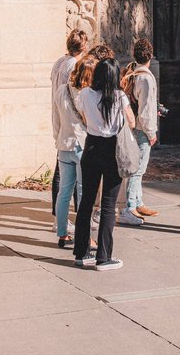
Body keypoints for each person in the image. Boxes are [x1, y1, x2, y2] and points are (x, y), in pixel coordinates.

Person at [73, 58, 136, 271]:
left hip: (91, 147)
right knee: (108, 204)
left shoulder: (85, 94)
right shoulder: (119, 97)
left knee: (86, 202)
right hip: (112, 149)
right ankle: (104, 256)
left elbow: (84, 117)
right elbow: (131, 121)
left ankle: (82, 253)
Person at [118, 38, 159, 225]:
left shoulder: (131, 71)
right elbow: (146, 110)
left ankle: (138, 201)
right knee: (138, 169)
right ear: (150, 56)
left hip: (132, 125)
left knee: (137, 167)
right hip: (142, 128)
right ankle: (131, 206)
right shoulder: (146, 78)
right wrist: (151, 132)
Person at [50, 29, 89, 218]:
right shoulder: (75, 64)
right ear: (84, 46)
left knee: (61, 173)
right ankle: (70, 217)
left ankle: (59, 216)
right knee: (72, 180)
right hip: (72, 123)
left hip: (60, 117)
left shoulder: (59, 62)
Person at [54, 57, 87, 248]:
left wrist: (57, 137)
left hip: (64, 143)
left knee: (64, 192)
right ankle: (84, 236)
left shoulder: (61, 90)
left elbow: (55, 117)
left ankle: (62, 233)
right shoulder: (85, 94)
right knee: (83, 193)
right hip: (81, 145)